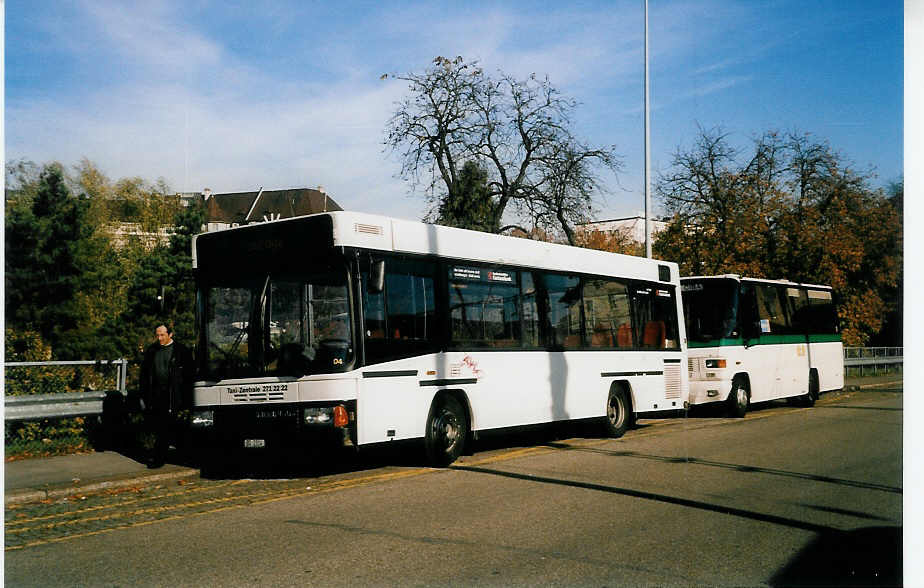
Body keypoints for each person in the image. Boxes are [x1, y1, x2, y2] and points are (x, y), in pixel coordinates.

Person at [139, 324, 194, 468]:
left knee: (173, 426)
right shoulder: (152, 351)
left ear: (170, 334)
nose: (159, 338)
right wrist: (144, 395)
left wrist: (186, 397)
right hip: (157, 394)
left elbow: (189, 375)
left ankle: (166, 457)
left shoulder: (181, 351)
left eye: (162, 335)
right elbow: (144, 375)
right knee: (162, 426)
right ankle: (162, 457)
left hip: (174, 395)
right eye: (157, 335)